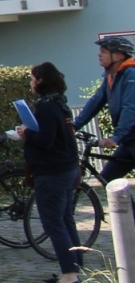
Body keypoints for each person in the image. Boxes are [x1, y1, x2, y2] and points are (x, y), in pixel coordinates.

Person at [20, 61, 84, 283]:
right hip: (66, 168)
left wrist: (27, 133)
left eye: (32, 78)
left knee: (53, 223)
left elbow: (45, 140)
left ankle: (69, 274)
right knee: (65, 219)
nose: (30, 82)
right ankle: (76, 267)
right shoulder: (59, 103)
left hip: (52, 172)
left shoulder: (46, 106)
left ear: (40, 80)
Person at [72, 35, 135, 182]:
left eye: (104, 51)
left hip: (129, 137)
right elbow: (95, 102)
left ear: (118, 55)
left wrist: (116, 137)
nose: (99, 54)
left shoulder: (131, 75)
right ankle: (128, 206)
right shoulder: (111, 77)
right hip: (129, 140)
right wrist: (74, 126)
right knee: (108, 179)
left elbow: (130, 108)